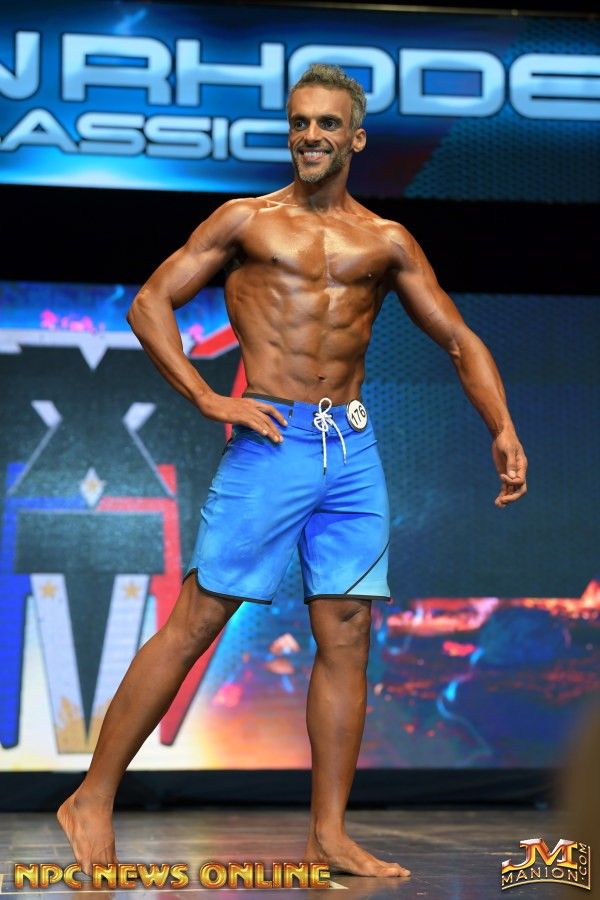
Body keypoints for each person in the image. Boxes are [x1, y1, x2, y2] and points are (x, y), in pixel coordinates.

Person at [57, 63, 527, 879]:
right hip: (271, 438)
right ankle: (91, 797)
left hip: (351, 448)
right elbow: (149, 302)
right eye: (300, 121)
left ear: (356, 138)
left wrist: (503, 426)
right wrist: (208, 396)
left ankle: (328, 834)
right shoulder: (247, 221)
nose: (310, 135)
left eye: (326, 124)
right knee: (200, 617)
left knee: (347, 630)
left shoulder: (386, 240)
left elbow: (458, 338)